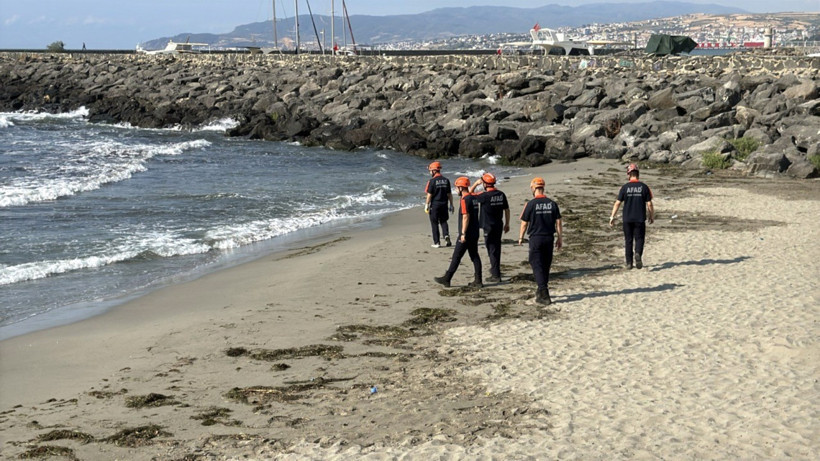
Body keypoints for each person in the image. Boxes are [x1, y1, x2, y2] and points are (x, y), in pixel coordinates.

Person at [518, 177, 563, 305]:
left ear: (533, 188)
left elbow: (524, 223)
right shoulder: (552, 203)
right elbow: (558, 222)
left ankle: (544, 292)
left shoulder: (530, 204)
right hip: (549, 237)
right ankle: (540, 290)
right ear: (543, 188)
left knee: (536, 264)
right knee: (545, 264)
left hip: (536, 238)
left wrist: (521, 237)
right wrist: (560, 238)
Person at [434, 177, 482, 288]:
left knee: (456, 256)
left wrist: (463, 233)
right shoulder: (473, 198)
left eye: (456, 187)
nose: (455, 190)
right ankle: (478, 280)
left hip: (466, 233)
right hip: (475, 231)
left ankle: (447, 278)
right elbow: (471, 193)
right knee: (474, 256)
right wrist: (475, 184)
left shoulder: (465, 200)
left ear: (460, 188)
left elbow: (466, 217)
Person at [609, 163, 654, 269]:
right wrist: (651, 216)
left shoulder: (624, 188)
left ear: (629, 174)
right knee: (639, 239)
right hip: (639, 218)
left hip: (627, 218)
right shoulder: (644, 187)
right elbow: (649, 204)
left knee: (628, 240)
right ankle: (638, 253)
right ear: (638, 174)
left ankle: (629, 263)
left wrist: (612, 216)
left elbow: (617, 203)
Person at [469, 172, 510, 283]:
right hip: (499, 224)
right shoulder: (501, 194)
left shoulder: (484, 196)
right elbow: (506, 209)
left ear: (485, 184)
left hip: (488, 226)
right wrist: (507, 223)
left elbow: (469, 194)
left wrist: (476, 184)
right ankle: (495, 270)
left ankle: (496, 275)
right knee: (496, 248)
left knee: (491, 249)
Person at [424, 161, 454, 248]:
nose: (430, 172)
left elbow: (429, 194)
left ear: (433, 171)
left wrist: (426, 204)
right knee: (444, 221)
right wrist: (451, 204)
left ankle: (437, 242)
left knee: (434, 223)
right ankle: (446, 235)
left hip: (435, 205)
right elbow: (449, 194)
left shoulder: (432, 181)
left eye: (430, 171)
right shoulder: (446, 180)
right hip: (444, 204)